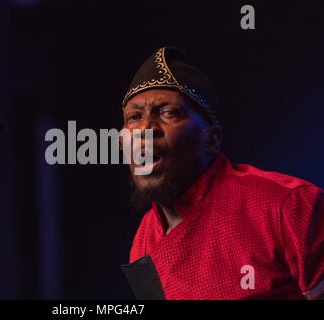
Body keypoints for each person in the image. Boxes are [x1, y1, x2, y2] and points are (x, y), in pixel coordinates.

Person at [121, 47, 324, 300]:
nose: (145, 129)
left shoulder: (289, 205)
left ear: (212, 140)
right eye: (133, 117)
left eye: (168, 112)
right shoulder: (143, 241)